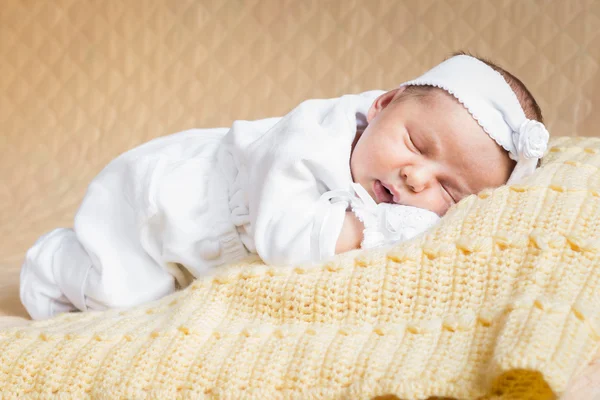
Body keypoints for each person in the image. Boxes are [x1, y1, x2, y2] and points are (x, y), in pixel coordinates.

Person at [20, 53, 549, 320]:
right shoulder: (308, 140)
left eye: (449, 192)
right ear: (383, 105)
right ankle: (54, 259)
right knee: (120, 298)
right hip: (154, 207)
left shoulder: (383, 170)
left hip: (205, 247)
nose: (416, 177)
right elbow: (285, 239)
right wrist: (387, 227)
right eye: (416, 143)